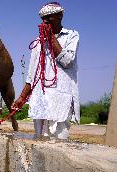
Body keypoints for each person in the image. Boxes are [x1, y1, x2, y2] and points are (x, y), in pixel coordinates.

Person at [12, 2, 80, 140]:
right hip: (41, 99)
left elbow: (67, 61)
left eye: (49, 17)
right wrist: (22, 98)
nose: (45, 21)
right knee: (39, 141)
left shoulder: (72, 35)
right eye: (43, 18)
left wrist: (51, 38)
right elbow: (32, 75)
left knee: (60, 141)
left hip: (60, 99)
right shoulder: (38, 42)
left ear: (60, 16)